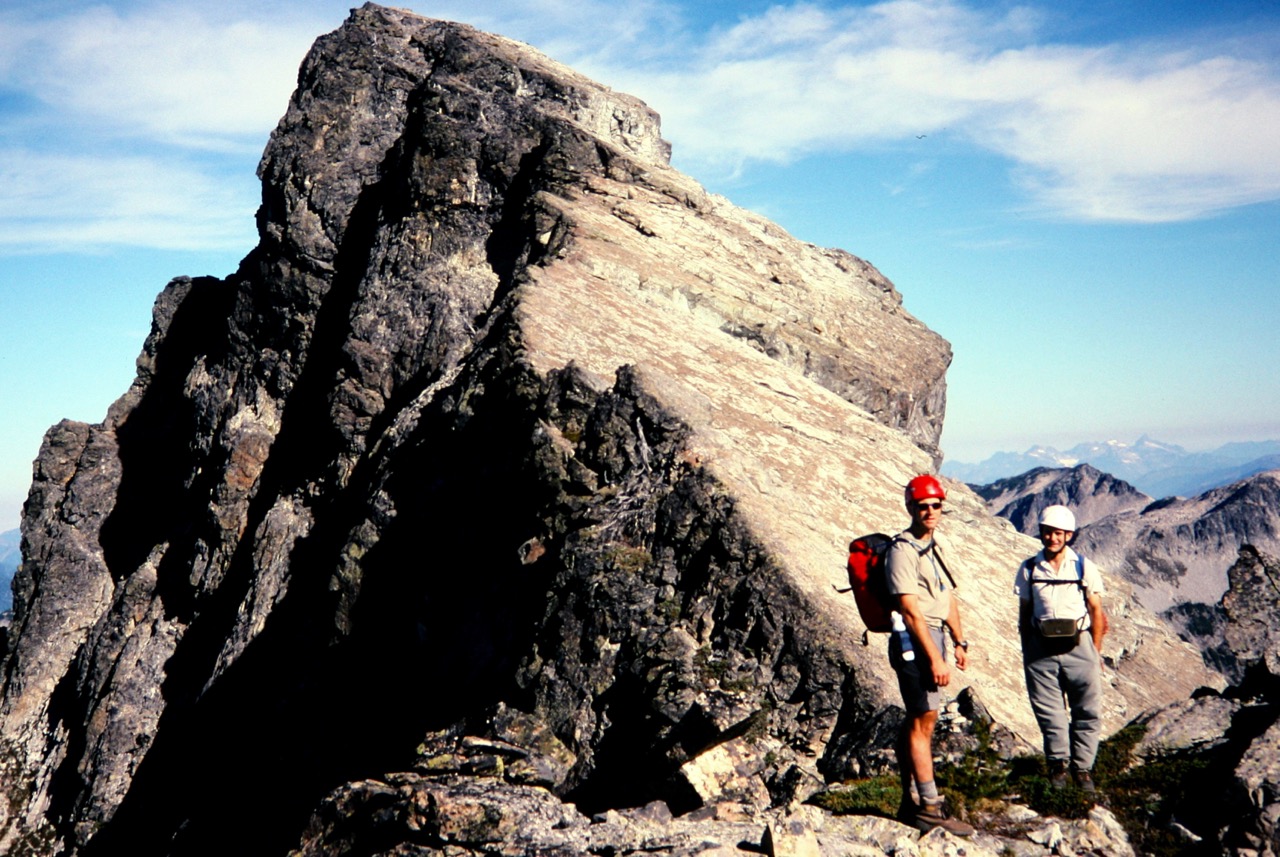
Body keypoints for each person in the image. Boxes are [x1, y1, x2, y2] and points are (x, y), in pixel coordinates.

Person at [885, 474, 974, 836]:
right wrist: (935, 659)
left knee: (918, 720)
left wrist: (959, 640)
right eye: (923, 506)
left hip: (934, 638)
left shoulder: (931, 547)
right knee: (925, 721)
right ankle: (931, 809)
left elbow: (945, 597)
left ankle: (912, 802)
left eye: (936, 505)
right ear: (911, 508)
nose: (930, 511)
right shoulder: (902, 550)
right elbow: (910, 611)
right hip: (914, 642)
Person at [1015, 504, 1109, 793]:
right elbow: (1025, 609)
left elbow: (1096, 610)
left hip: (1079, 645)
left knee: (1087, 710)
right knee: (1050, 712)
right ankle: (1058, 767)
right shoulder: (1029, 568)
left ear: (1068, 535)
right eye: (1047, 532)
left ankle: (1082, 770)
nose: (1052, 538)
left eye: (1058, 533)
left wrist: (1095, 650)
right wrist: (1026, 646)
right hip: (1040, 649)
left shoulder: (1083, 566)